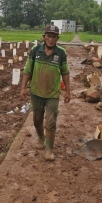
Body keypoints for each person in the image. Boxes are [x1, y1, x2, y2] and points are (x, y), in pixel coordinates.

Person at [21, 25, 71, 161]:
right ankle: (41, 137)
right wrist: (23, 88)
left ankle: (49, 150)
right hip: (36, 92)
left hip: (53, 94)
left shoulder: (61, 53)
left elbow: (65, 72)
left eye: (54, 36)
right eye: (48, 36)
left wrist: (68, 91)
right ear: (44, 37)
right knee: (37, 120)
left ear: (57, 39)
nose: (51, 39)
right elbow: (27, 70)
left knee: (50, 122)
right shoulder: (35, 50)